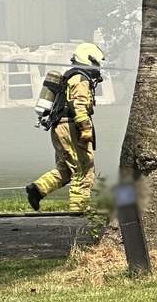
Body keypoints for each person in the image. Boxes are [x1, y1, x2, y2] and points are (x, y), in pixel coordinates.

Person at [25, 43, 106, 212]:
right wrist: (85, 129)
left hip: (60, 127)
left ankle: (38, 189)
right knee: (84, 170)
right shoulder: (80, 79)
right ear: (89, 59)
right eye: (97, 63)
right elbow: (79, 105)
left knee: (66, 169)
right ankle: (79, 210)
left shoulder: (71, 76)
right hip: (71, 128)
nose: (98, 67)